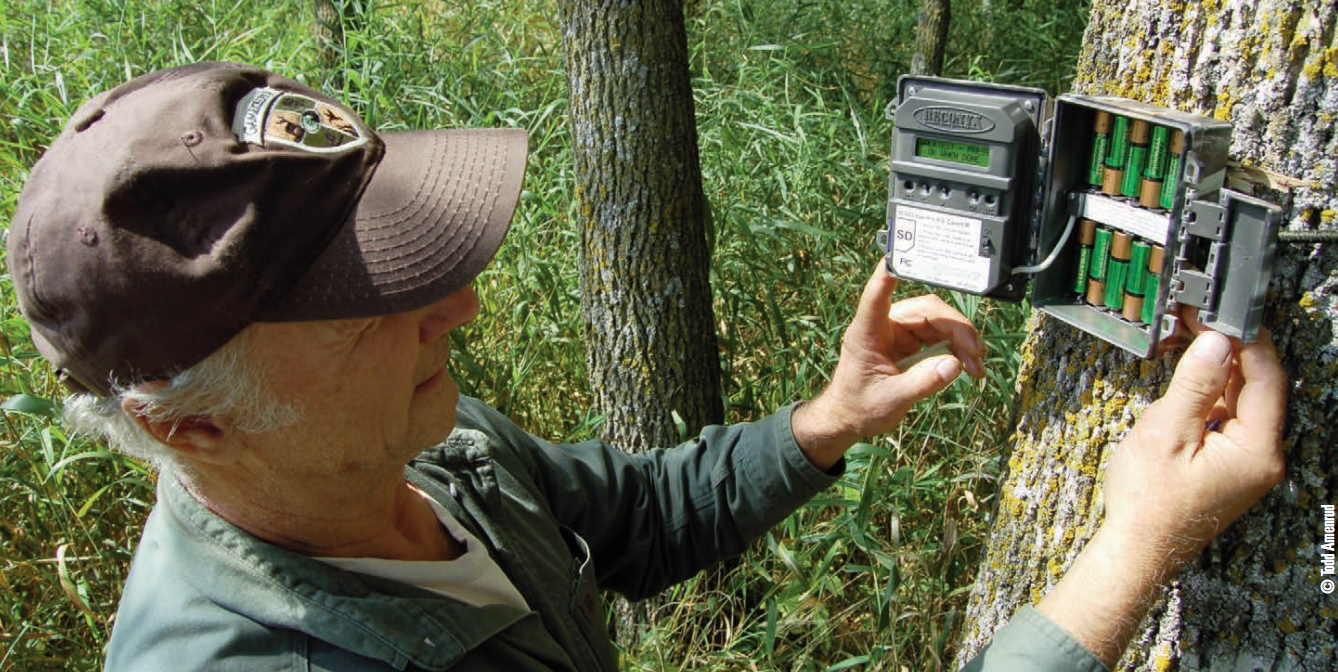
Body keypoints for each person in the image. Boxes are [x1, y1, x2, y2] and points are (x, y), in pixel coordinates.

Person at [7, 63, 1286, 672]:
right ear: (194, 428)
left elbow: (632, 514)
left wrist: (823, 425)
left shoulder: (408, 443)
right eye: (372, 310)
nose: (454, 304)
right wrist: (1131, 549)